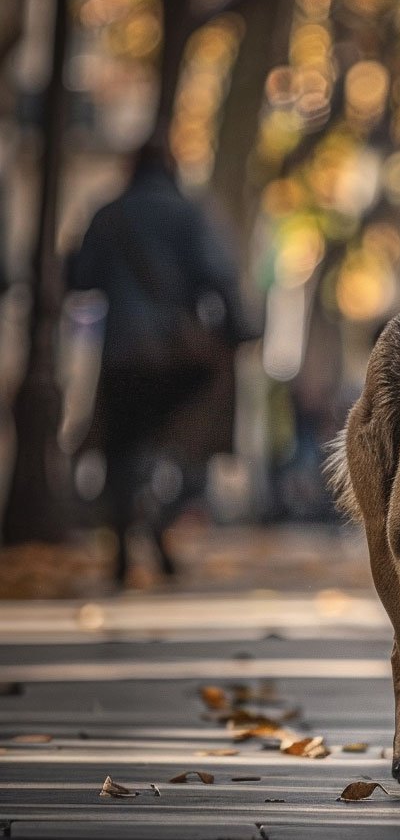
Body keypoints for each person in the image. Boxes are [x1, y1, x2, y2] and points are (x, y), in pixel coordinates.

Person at [67, 143, 256, 584]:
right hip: (177, 356)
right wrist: (238, 330)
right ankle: (156, 513)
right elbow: (220, 276)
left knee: (119, 449)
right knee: (191, 439)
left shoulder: (109, 214)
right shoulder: (190, 214)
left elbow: (81, 280)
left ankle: (121, 536)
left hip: (120, 355)